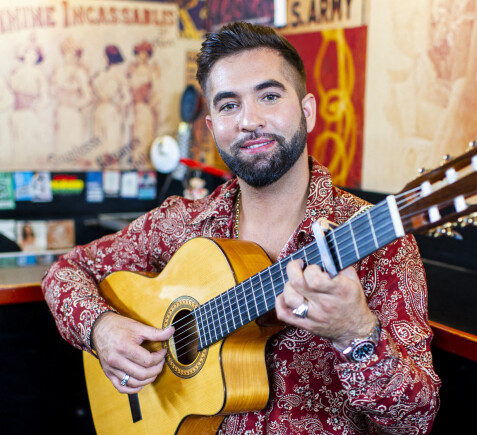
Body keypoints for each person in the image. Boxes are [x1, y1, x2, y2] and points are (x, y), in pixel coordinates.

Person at [42, 21, 440, 434]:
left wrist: (355, 333)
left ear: (307, 111)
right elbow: (64, 272)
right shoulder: (181, 223)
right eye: (229, 105)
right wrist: (101, 329)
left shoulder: (377, 242)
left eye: (269, 96)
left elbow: (415, 421)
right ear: (213, 127)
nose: (249, 120)